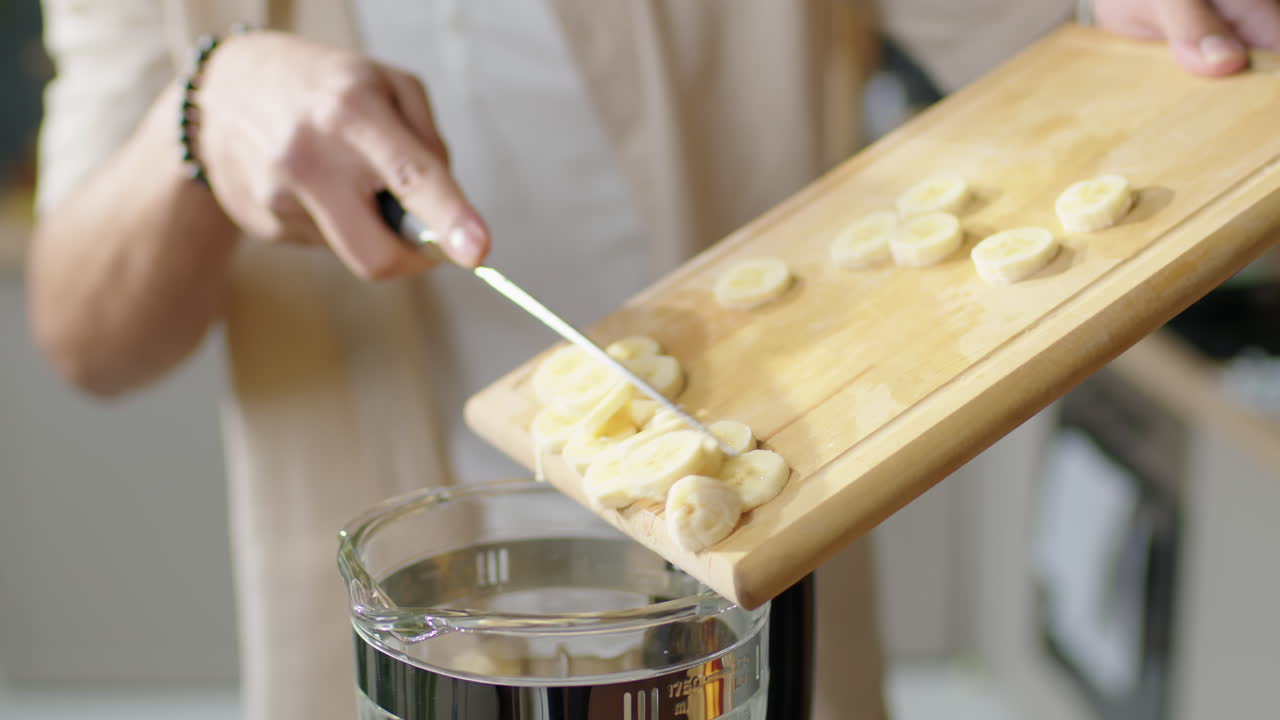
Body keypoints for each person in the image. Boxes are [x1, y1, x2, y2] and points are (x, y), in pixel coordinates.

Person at [26, 1, 1280, 719]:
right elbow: (83, 334)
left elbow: (1049, 45)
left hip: (750, 641)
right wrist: (192, 119)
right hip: (401, 665)